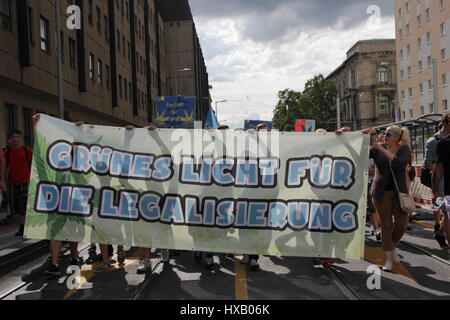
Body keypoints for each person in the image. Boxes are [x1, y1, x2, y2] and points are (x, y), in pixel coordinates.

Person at [367, 125, 412, 272]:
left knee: (401, 225)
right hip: (381, 192)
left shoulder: (403, 149)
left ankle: (390, 247)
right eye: (384, 133)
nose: (385, 135)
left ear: (398, 137)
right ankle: (388, 258)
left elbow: (400, 164)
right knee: (386, 226)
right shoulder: (376, 149)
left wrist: (382, 149)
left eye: (389, 134)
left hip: (399, 193)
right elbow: (359, 154)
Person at [3, 130, 32, 237]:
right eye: (13, 136)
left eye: (17, 136)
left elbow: (32, 165)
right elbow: (5, 167)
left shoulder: (27, 150)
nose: (15, 138)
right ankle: (22, 227)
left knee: (24, 205)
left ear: (21, 138)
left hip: (25, 181)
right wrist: (3, 181)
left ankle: (25, 227)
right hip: (12, 182)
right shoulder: (8, 152)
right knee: (16, 206)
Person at [424, 121, 448, 247]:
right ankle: (439, 228)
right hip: (441, 180)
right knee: (443, 209)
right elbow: (427, 163)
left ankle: (440, 231)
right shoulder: (433, 141)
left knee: (446, 211)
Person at [432, 112, 450, 248]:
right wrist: (434, 191)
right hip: (446, 185)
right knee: (447, 215)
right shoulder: (441, 143)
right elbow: (437, 169)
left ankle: (440, 232)